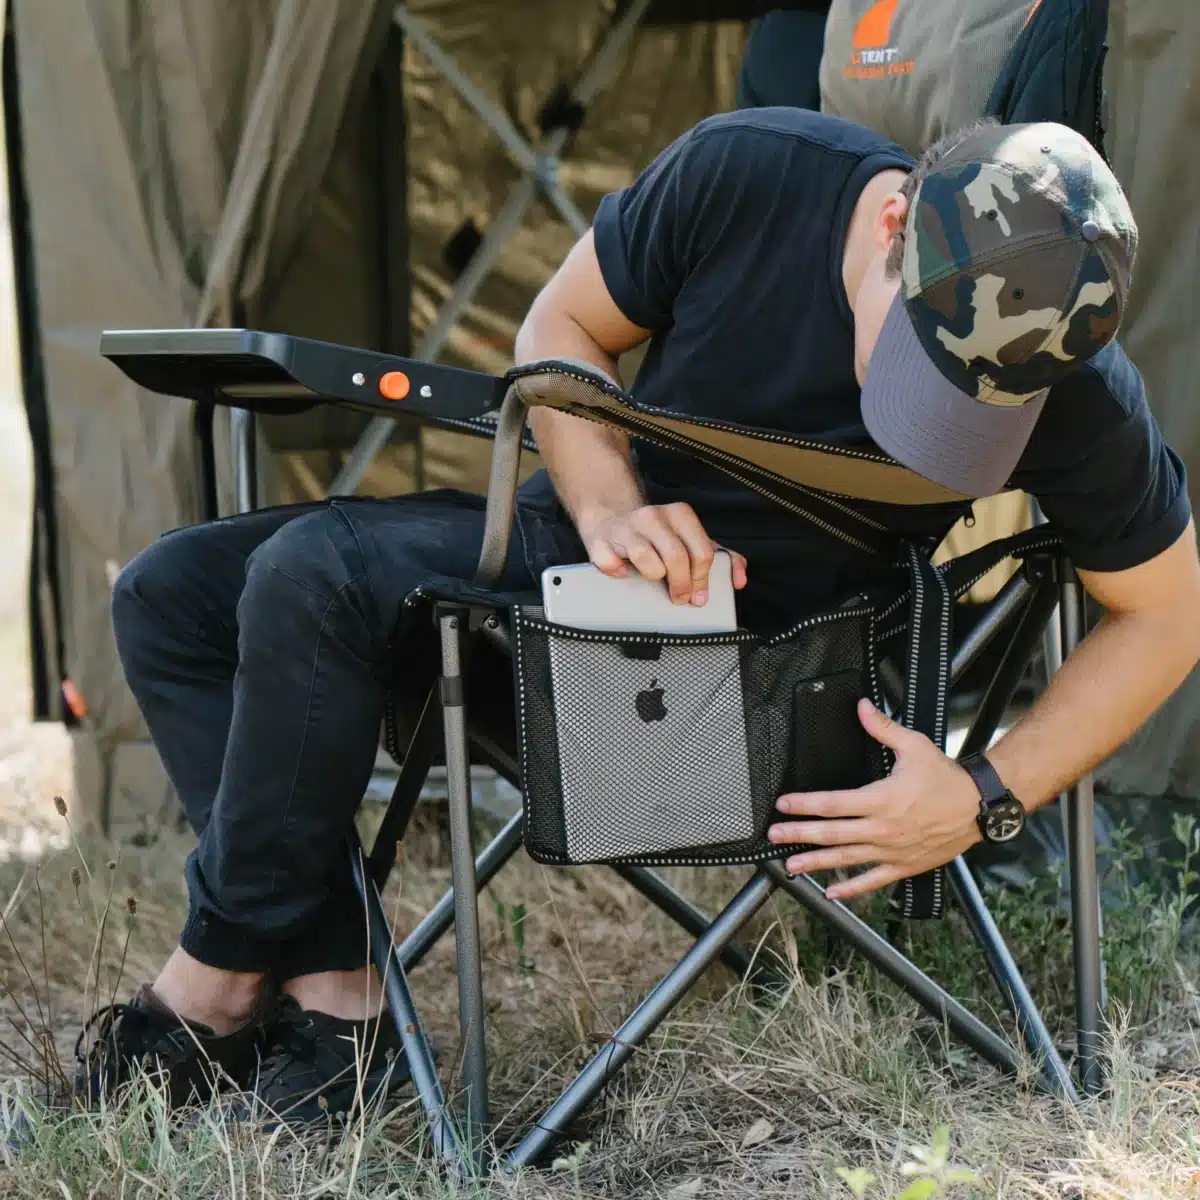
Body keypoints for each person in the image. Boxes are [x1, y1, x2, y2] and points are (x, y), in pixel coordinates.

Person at [79, 108, 1200, 1118]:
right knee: (174, 595)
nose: (937, 420)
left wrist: (985, 793)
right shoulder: (750, 175)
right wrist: (612, 504)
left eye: (979, 413)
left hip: (762, 694)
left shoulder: (1072, 386)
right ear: (893, 220)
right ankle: (335, 1005)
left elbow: (1170, 612)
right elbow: (561, 325)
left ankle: (215, 993)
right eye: (922, 371)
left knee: (311, 572)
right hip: (573, 580)